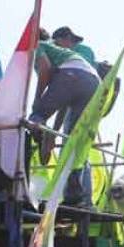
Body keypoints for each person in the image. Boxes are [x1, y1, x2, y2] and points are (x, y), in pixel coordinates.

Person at [28, 35, 100, 206]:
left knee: (36, 116)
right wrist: (54, 133)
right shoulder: (66, 56)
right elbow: (63, 103)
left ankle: (38, 136)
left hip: (72, 76)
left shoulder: (37, 45)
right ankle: (74, 194)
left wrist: (38, 102)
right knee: (72, 139)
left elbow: (44, 70)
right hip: (93, 82)